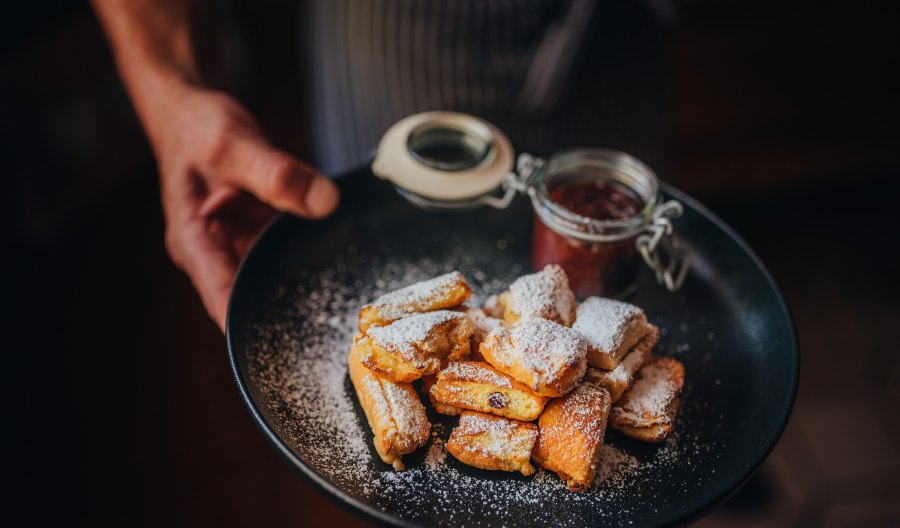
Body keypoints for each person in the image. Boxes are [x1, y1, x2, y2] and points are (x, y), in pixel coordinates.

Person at [90, 0, 667, 332]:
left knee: (622, 302)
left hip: (610, 32)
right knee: (383, 264)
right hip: (409, 30)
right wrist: (169, 96)